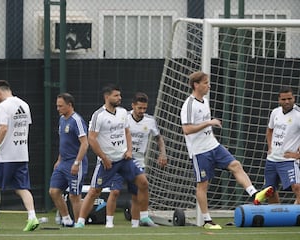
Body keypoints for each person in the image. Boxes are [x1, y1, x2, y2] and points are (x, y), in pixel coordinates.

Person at [180, 71, 272, 230]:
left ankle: (254, 194)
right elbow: (187, 129)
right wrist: (209, 123)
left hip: (213, 146)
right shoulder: (189, 105)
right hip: (199, 152)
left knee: (236, 165)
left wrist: (210, 127)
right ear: (196, 85)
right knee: (203, 185)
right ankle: (207, 221)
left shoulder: (205, 101)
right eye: (206, 82)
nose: (209, 85)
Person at [74, 84, 157, 228]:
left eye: (119, 95)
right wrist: (104, 158)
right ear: (107, 97)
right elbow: (92, 139)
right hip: (107, 161)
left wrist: (129, 150)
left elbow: (127, 132)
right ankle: (80, 222)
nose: (119, 98)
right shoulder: (98, 115)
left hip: (124, 159)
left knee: (143, 183)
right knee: (94, 191)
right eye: (116, 95)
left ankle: (144, 218)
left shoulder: (122, 112)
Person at [0, 80, 39, 231]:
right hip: (22, 153)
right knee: (22, 187)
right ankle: (32, 217)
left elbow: (4, 128)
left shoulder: (3, 106)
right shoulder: (24, 105)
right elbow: (21, 127)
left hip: (5, 155)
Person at [105, 92, 167, 228]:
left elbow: (159, 138)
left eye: (144, 108)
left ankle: (136, 224)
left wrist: (163, 154)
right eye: (139, 108)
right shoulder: (123, 118)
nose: (142, 111)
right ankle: (109, 223)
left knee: (137, 193)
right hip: (120, 160)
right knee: (114, 191)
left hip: (138, 162)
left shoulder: (150, 121)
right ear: (133, 106)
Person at [49, 93, 89, 227]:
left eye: (60, 106)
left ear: (69, 105)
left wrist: (77, 163)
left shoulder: (76, 120)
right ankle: (67, 220)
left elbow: (85, 143)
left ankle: (79, 223)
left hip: (75, 163)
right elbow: (64, 141)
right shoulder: (62, 119)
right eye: (57, 106)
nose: (58, 108)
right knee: (54, 191)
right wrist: (59, 160)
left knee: (74, 195)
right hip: (63, 163)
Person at [259, 87, 300, 205]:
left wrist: (297, 155)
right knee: (270, 191)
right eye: (284, 99)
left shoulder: (298, 115)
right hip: (272, 160)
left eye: (289, 98)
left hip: (288, 160)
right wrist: (270, 148)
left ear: (294, 98)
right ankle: (278, 216)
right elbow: (270, 130)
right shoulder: (275, 112)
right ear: (279, 100)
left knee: (297, 187)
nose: (287, 102)